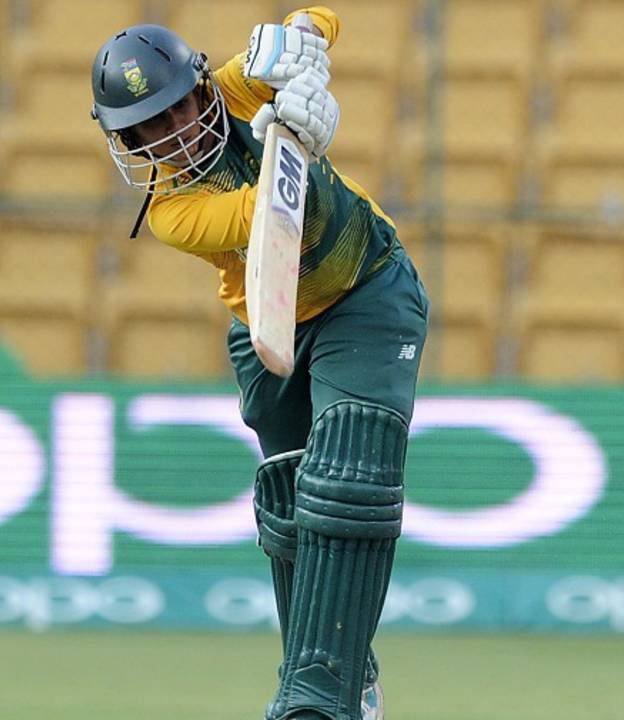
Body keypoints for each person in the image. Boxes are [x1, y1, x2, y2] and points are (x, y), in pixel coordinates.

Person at [89, 7, 428, 720]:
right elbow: (272, 213)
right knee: (290, 496)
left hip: (365, 290)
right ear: (132, 140)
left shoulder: (230, 92)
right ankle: (346, 670)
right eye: (153, 123)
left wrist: (297, 40)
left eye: (182, 102)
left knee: (348, 475)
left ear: (199, 84)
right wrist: (293, 134)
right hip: (266, 322)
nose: (178, 126)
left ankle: (318, 698)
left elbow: (322, 22)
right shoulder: (175, 212)